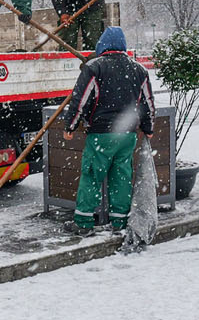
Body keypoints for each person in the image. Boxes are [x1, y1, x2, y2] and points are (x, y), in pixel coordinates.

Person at [63, 26, 155, 236]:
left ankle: (84, 222)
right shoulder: (139, 70)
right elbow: (147, 102)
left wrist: (70, 125)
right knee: (121, 177)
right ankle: (119, 221)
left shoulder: (94, 68)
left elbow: (80, 100)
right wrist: (148, 127)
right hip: (127, 135)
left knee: (92, 176)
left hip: (101, 134)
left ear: (102, 46)